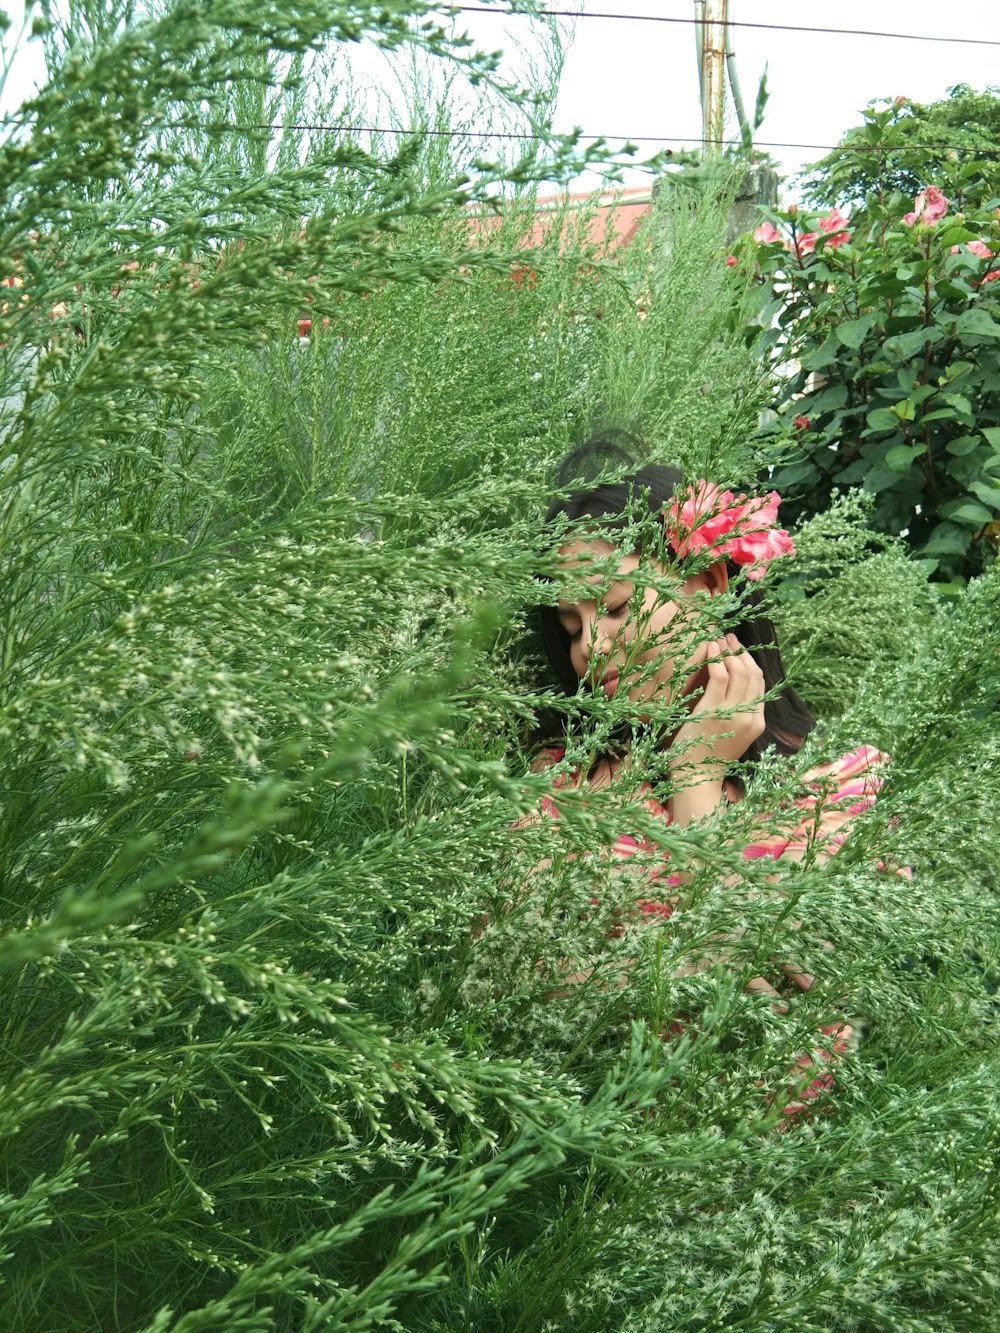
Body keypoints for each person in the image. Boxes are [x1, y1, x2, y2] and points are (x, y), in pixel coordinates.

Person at [529, 437, 888, 1121]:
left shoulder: (831, 789)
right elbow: (532, 1002)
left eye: (611, 607)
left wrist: (696, 778)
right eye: (570, 624)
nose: (588, 648)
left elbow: (782, 1042)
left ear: (710, 584)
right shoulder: (561, 787)